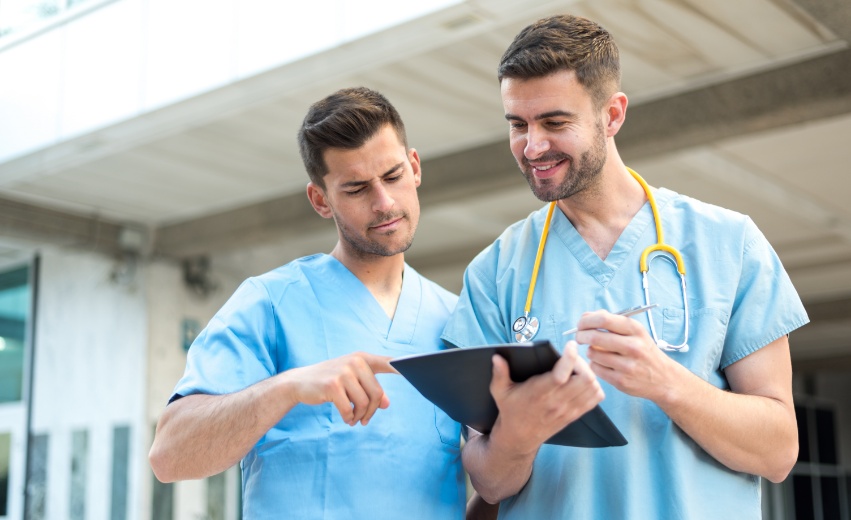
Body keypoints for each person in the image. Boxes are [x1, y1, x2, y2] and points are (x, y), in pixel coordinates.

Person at [441, 14, 809, 519]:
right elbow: (489, 481)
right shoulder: (495, 272)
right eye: (517, 125)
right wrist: (518, 436)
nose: (532, 147)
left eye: (554, 122)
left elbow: (778, 451)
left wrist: (666, 381)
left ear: (612, 115)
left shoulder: (730, 243)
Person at [148, 87, 470, 519]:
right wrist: (288, 386)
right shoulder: (271, 304)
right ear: (321, 200)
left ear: (414, 167)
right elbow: (169, 455)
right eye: (356, 189)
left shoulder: (457, 320)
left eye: (392, 176)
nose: (384, 202)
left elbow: (492, 475)